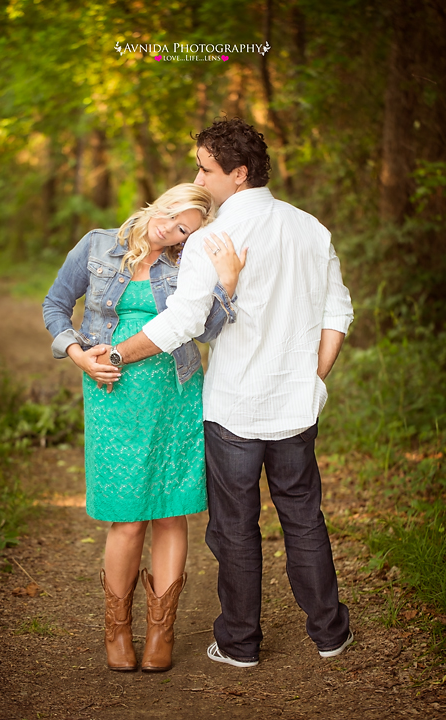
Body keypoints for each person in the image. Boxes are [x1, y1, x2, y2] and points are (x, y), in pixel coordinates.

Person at [95, 118, 355, 668]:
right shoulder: (312, 228)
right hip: (295, 406)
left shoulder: (213, 237)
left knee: (235, 528)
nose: (198, 177)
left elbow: (183, 322)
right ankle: (330, 634)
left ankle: (239, 645)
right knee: (304, 517)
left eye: (206, 169)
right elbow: (338, 312)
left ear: (238, 174)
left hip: (234, 406)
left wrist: (117, 354)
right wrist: (315, 378)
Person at [42, 183, 246, 673]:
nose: (173, 227)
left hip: (174, 395)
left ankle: (160, 633)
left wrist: (228, 284)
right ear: (164, 200)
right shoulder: (95, 245)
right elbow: (54, 307)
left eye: (184, 229)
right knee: (128, 518)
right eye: (175, 214)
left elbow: (207, 329)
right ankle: (116, 630)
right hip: (113, 394)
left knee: (171, 513)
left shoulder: (184, 264)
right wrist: (78, 356)